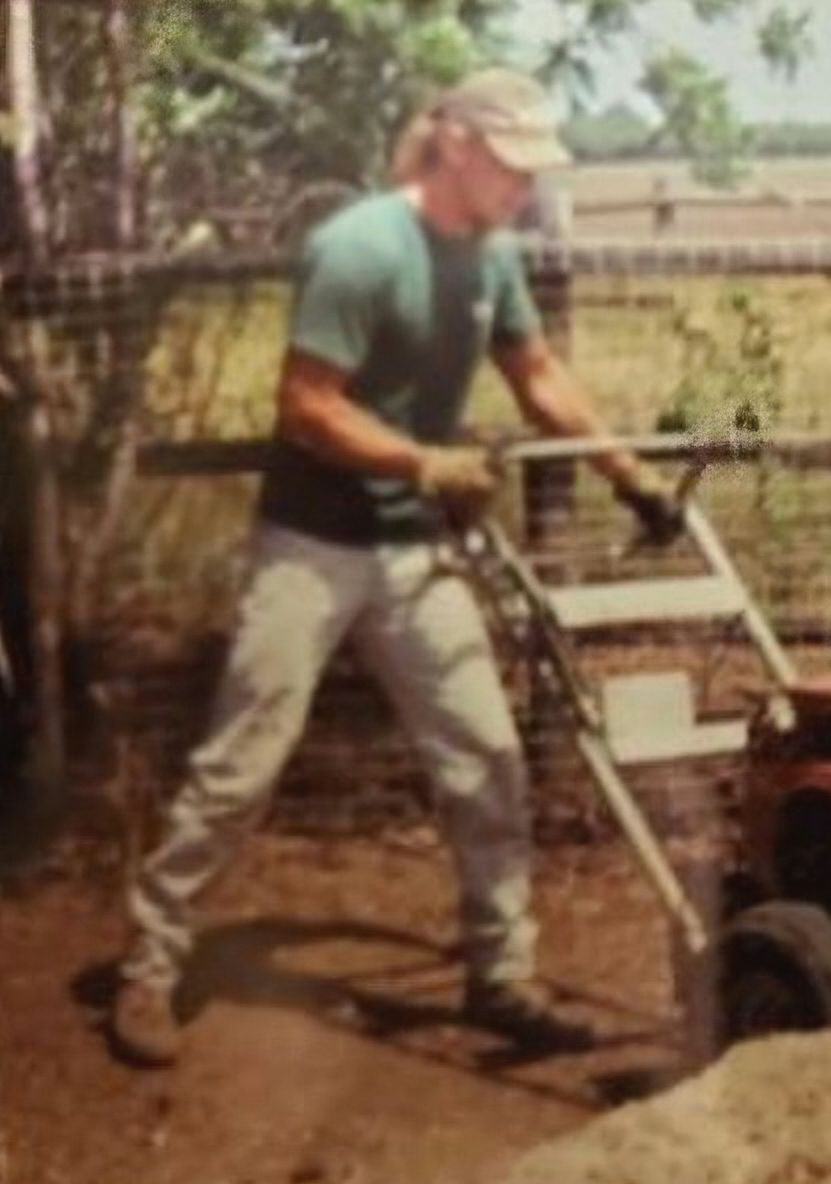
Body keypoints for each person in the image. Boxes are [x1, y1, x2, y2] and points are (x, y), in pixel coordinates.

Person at [109, 68, 679, 1067]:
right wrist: (423, 462)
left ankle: (501, 973)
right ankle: (150, 965)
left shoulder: (493, 256)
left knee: (487, 756)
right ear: (456, 146)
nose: (524, 186)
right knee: (244, 763)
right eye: (510, 165)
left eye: (532, 170)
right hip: (312, 546)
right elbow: (306, 406)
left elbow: (538, 374)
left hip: (415, 551)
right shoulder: (359, 248)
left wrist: (629, 475)